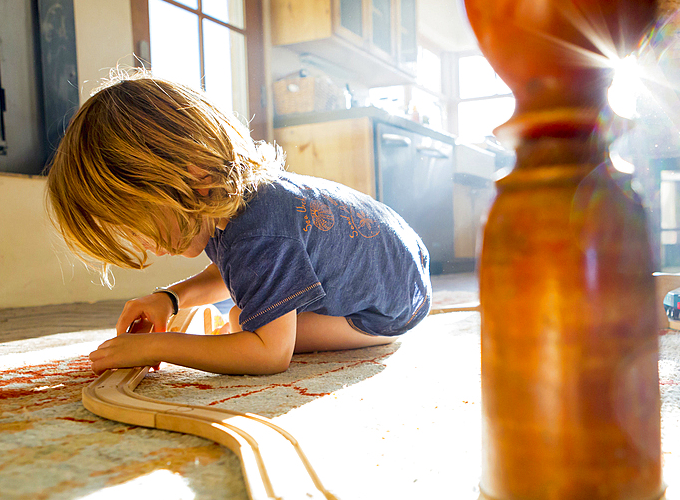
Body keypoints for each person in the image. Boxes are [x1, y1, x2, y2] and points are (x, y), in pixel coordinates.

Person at [46, 73, 431, 375]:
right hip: (404, 268)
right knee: (247, 310)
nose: (142, 244)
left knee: (241, 326)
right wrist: (170, 299)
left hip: (391, 309)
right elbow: (243, 269)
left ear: (190, 174)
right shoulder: (233, 206)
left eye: (135, 225)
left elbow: (269, 354)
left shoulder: (262, 227)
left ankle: (379, 329)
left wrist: (154, 346)